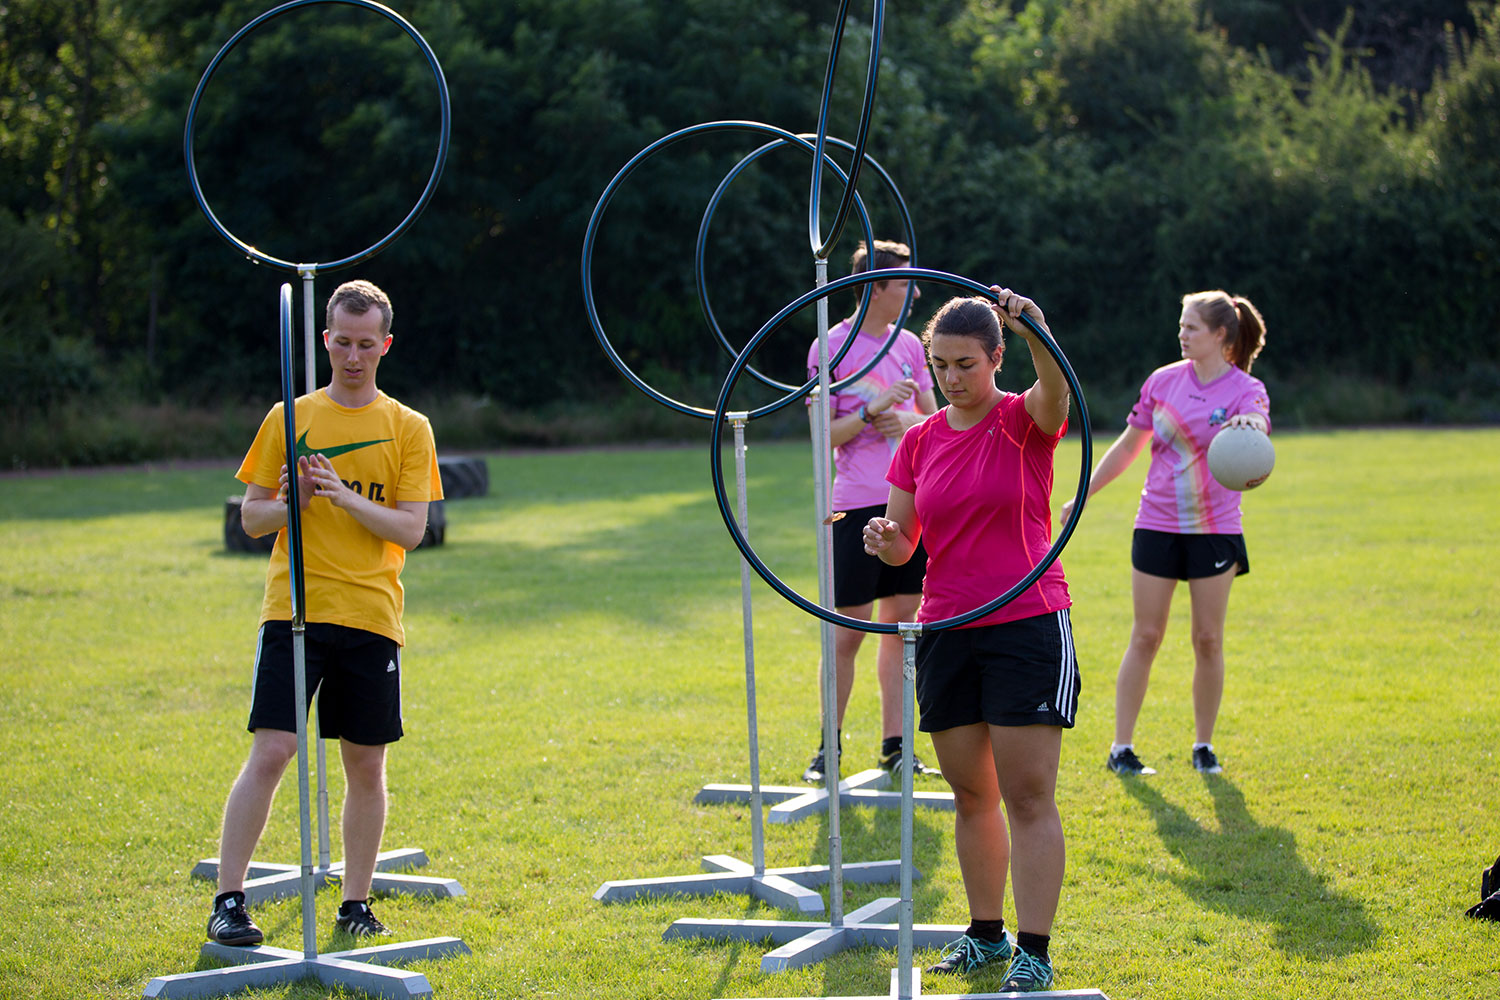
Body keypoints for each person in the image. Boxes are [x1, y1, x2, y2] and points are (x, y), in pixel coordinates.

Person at [205, 280, 442, 946]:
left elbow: (411, 529)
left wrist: (338, 495)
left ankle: (355, 903)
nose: (354, 355)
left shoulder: (407, 428)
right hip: (294, 608)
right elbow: (253, 518)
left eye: (367, 344)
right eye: (343, 341)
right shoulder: (289, 417)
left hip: (371, 615)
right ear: (325, 339)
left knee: (366, 764)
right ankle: (229, 901)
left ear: (385, 345)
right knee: (274, 750)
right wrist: (294, 507)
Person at [864, 288, 1076, 992]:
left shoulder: (1022, 420)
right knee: (970, 794)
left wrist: (1035, 323)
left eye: (965, 364)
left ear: (995, 358)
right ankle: (987, 936)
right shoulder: (919, 440)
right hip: (947, 627)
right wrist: (885, 540)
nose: (951, 378)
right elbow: (903, 548)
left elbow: (1057, 390)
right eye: (940, 364)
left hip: (1026, 624)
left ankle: (1034, 952)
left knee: (1027, 794)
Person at [1060, 290, 1269, 777]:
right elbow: (1129, 447)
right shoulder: (1162, 382)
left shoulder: (1244, 390)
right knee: (1146, 634)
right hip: (1156, 523)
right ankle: (1121, 749)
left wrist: (1249, 425)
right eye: (1181, 326)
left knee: (1208, 640)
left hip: (1214, 530)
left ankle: (1203, 747)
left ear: (1220, 335)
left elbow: (1259, 424)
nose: (1181, 334)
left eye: (1191, 327)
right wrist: (1084, 494)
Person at [802, 239, 939, 783]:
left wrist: (903, 419)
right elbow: (820, 437)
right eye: (904, 284)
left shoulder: (909, 344)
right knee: (847, 634)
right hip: (854, 505)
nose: (914, 293)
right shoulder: (829, 347)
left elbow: (934, 421)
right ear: (873, 287)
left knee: (903, 628)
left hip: (908, 502)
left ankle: (897, 745)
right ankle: (827, 749)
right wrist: (869, 410)